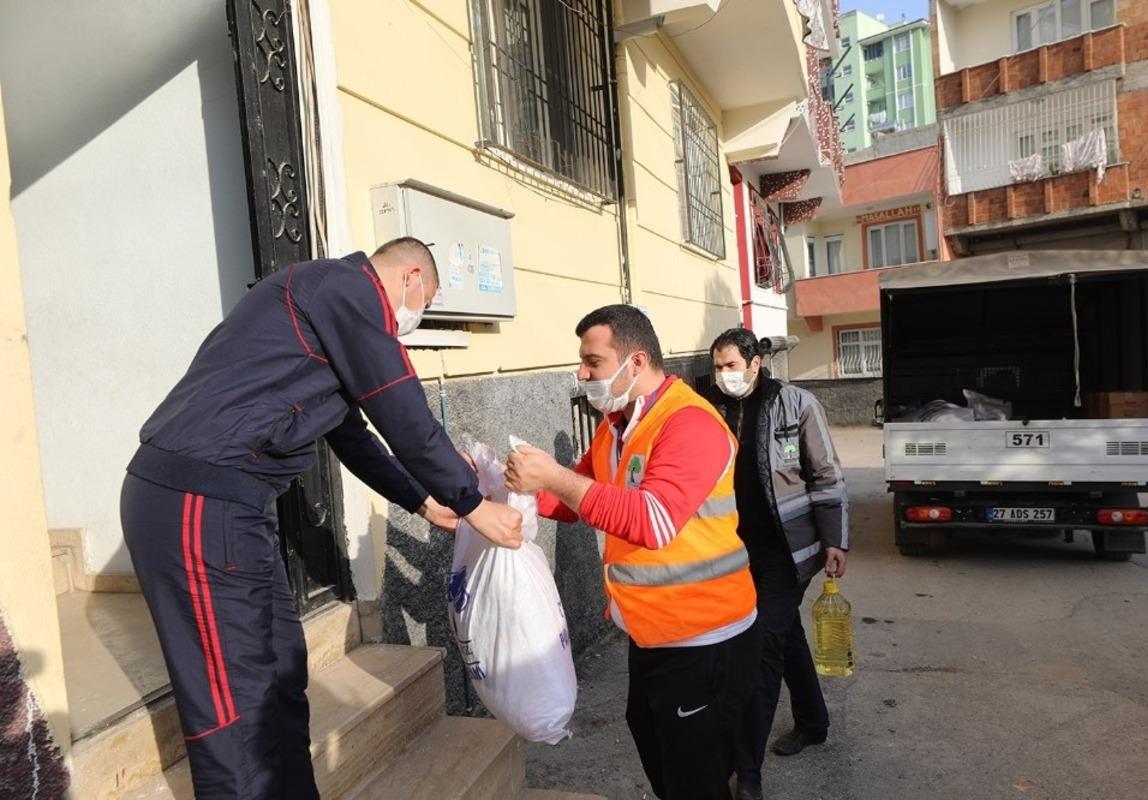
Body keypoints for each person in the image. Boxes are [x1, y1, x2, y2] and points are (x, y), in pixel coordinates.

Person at [120, 238, 522, 799]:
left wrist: (424, 501)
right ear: (409, 276)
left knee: (281, 668)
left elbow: (352, 434)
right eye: (422, 303)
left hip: (233, 506)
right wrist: (474, 505)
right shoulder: (345, 291)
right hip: (195, 498)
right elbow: (401, 411)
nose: (411, 320)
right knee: (235, 704)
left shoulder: (328, 306)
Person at [504, 305, 762, 800]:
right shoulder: (616, 426)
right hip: (653, 636)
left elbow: (654, 520)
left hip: (706, 640)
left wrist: (554, 476)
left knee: (697, 782)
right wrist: (503, 490)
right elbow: (573, 496)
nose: (581, 374)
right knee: (664, 761)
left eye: (592, 361)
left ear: (636, 361)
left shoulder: (689, 423)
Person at [703, 328, 849, 800]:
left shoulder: (797, 404)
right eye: (717, 367)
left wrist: (835, 540)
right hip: (733, 549)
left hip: (788, 551)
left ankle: (747, 772)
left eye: (730, 366)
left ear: (754, 364)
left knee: (760, 650)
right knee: (784, 637)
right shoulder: (708, 407)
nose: (723, 376)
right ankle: (813, 722)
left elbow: (825, 474)